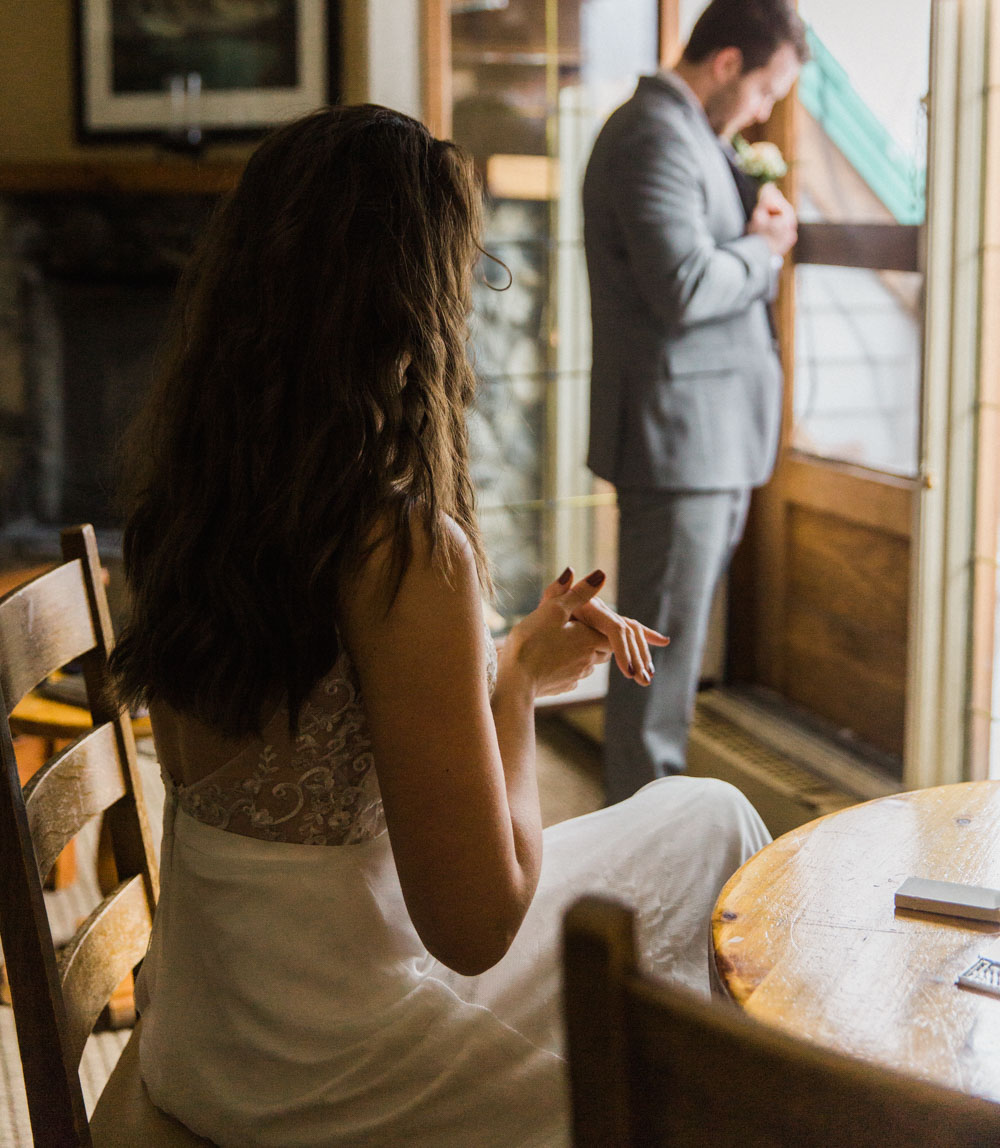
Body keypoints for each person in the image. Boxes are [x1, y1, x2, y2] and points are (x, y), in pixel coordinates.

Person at [110, 104, 769, 1148]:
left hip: (214, 1029)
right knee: (717, 842)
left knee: (708, 817)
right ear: (410, 306)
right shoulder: (397, 551)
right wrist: (508, 688)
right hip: (330, 1067)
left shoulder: (177, 511)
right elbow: (473, 929)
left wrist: (497, 667)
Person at [583, 0, 807, 805]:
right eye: (763, 89)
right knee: (656, 670)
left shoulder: (693, 137)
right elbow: (680, 286)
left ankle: (650, 840)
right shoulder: (654, 135)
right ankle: (642, 864)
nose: (760, 112)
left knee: (666, 664)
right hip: (678, 444)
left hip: (707, 441)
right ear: (724, 61)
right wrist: (765, 252)